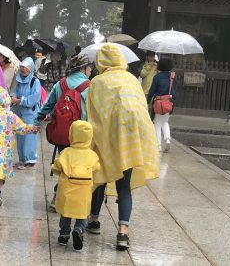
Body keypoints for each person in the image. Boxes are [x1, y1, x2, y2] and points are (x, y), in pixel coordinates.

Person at [85, 43, 159, 250]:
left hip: (110, 134)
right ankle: (123, 233)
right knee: (124, 184)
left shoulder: (97, 82)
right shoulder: (132, 80)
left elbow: (93, 115)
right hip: (135, 135)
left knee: (99, 177)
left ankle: (94, 220)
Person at [36, 54, 94, 210]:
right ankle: (76, 199)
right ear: (83, 68)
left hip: (63, 131)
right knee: (80, 167)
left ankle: (57, 197)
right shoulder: (90, 86)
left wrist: (37, 122)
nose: (90, 70)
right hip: (83, 135)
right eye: (89, 67)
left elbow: (47, 106)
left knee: (65, 164)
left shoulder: (60, 84)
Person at [0, 86, 39, 205]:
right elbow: (22, 128)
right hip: (5, 149)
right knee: (3, 170)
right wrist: (33, 128)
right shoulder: (10, 116)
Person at [51, 120, 100, 251]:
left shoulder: (66, 152)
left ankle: (64, 234)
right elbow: (97, 167)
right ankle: (79, 229)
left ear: (71, 134)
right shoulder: (92, 155)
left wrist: (55, 168)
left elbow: (57, 167)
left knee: (66, 213)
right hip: (83, 192)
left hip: (67, 190)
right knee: (82, 213)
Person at [11, 57, 42, 169]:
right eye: (22, 67)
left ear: (31, 69)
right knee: (20, 135)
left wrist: (20, 100)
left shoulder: (35, 81)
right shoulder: (19, 80)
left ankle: (29, 160)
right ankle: (22, 159)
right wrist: (13, 96)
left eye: (26, 67)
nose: (23, 69)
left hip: (31, 114)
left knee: (29, 137)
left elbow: (35, 98)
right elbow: (14, 92)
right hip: (20, 113)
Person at [147, 57, 176, 152]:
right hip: (169, 103)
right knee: (165, 122)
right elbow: (174, 90)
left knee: (157, 123)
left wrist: (148, 100)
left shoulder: (157, 77)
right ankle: (167, 139)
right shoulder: (173, 77)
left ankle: (158, 146)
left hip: (159, 103)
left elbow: (152, 91)